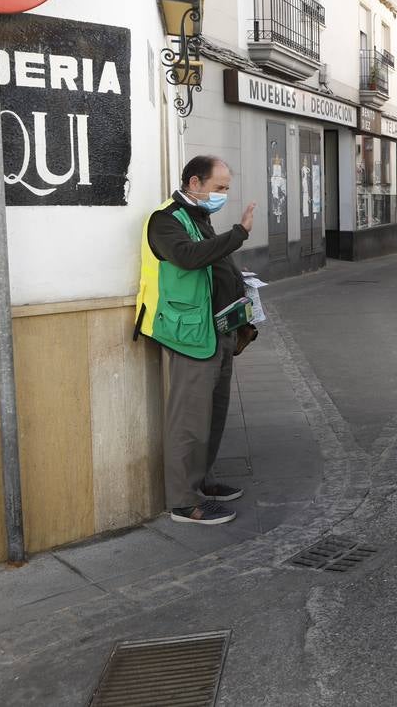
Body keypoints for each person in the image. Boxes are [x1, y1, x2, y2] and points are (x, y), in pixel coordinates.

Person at [135, 156, 256, 525]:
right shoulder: (166, 220)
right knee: (189, 419)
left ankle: (202, 480)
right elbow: (188, 258)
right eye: (219, 188)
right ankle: (184, 503)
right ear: (194, 182)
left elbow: (214, 265)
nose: (223, 195)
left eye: (226, 188)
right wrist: (238, 234)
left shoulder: (199, 217)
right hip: (189, 333)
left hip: (216, 329)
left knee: (213, 413)